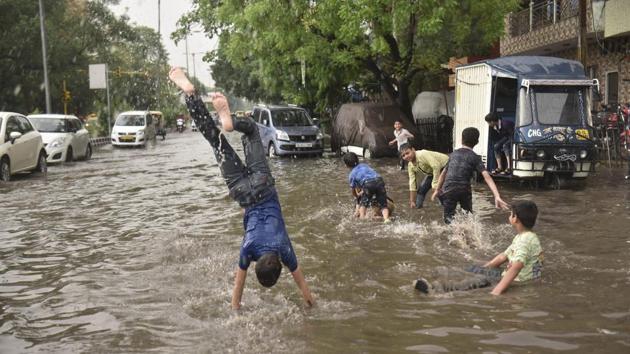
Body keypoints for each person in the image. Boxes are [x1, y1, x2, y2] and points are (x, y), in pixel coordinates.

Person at [168, 67, 314, 310]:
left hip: (263, 184)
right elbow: (237, 294)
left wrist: (312, 304)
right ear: (258, 263)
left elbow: (304, 289)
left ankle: (231, 121)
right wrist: (235, 313)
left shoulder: (284, 248)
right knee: (214, 139)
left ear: (279, 263)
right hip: (241, 190)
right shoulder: (248, 249)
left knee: (252, 131)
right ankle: (190, 94)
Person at [415, 200, 543, 296]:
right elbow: (503, 256)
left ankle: (435, 291)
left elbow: (517, 266)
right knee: (473, 269)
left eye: (511, 214)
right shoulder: (527, 237)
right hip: (516, 276)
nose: (509, 216)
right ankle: (445, 276)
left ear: (515, 219)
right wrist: (484, 268)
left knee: (476, 282)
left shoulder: (525, 240)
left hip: (517, 280)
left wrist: (497, 291)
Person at [431, 127, 509, 224]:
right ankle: (467, 235)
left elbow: (443, 173)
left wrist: (437, 189)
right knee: (467, 217)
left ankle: (456, 234)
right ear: (477, 142)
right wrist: (497, 196)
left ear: (461, 139)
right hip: (464, 190)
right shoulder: (475, 157)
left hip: (449, 189)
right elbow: (487, 177)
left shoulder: (453, 154)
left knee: (449, 219)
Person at [343, 152, 391, 223]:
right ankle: (386, 219)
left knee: (363, 204)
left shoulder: (352, 175)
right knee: (383, 204)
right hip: (379, 180)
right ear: (357, 160)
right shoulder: (364, 165)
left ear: (346, 165)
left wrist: (357, 196)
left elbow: (353, 190)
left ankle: (362, 219)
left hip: (368, 184)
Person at [399, 143, 449, 209]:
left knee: (437, 188)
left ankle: (447, 207)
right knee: (421, 190)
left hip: (445, 166)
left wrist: (435, 183)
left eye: (407, 153)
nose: (406, 156)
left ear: (413, 150)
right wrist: (412, 200)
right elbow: (412, 183)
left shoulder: (422, 154)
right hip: (432, 172)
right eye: (403, 156)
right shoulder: (410, 165)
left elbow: (436, 166)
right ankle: (417, 208)